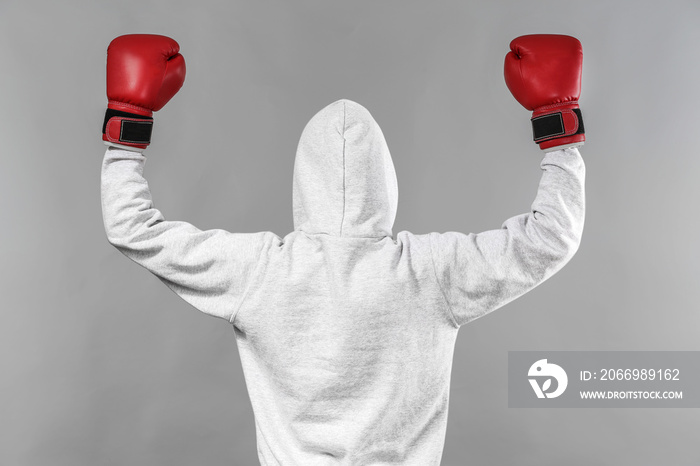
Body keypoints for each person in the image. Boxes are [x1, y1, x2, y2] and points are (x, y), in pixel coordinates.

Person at [101, 34, 585, 465]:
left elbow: (132, 228)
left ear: (304, 178)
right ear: (385, 179)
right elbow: (550, 238)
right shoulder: (430, 272)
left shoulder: (260, 271)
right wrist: (558, 129)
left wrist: (128, 126)